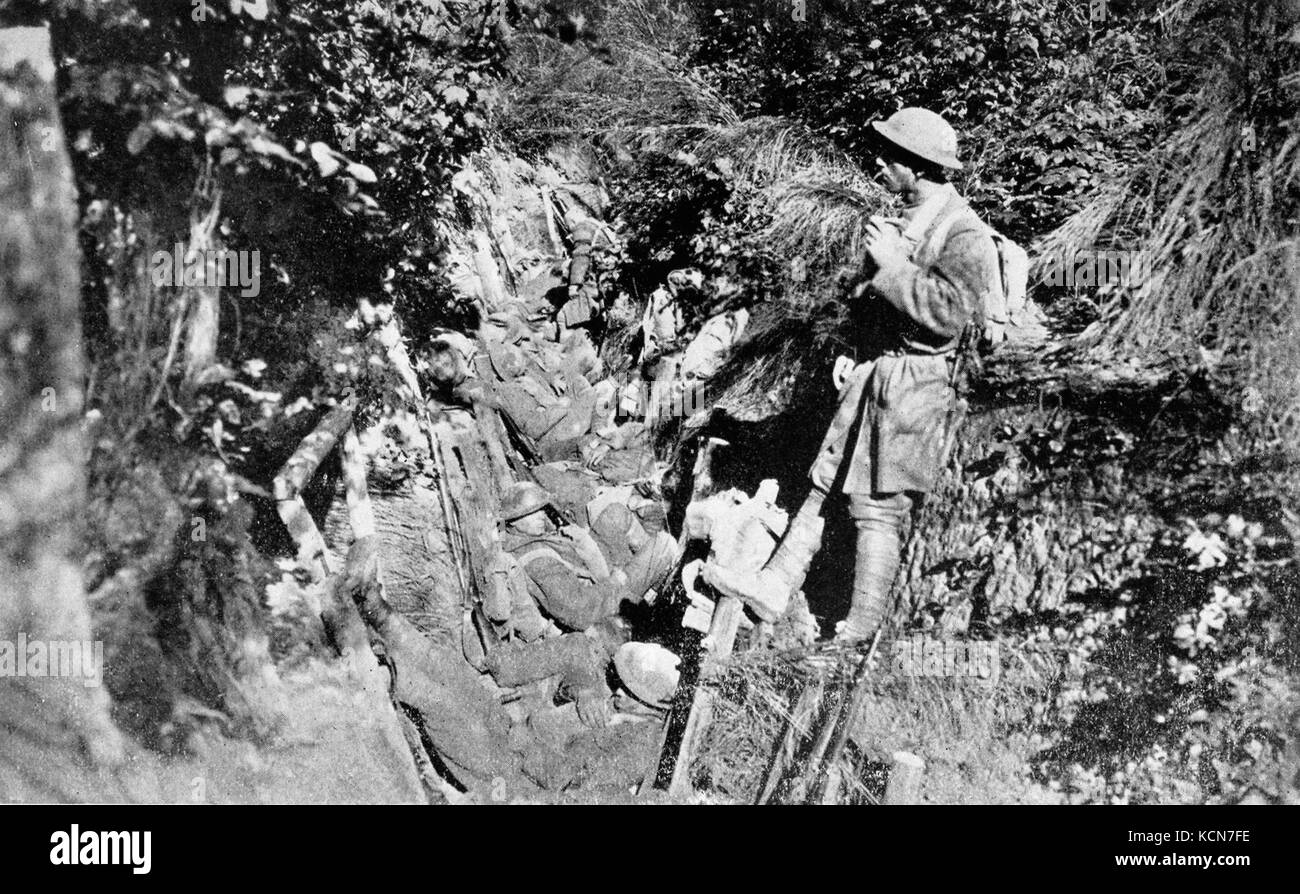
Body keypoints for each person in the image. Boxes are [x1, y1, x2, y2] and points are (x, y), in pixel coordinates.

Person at [702, 107, 1000, 643]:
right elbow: (870, 298)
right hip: (876, 371)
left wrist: (891, 265)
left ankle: (860, 633)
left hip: (918, 386)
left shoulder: (965, 233)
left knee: (877, 506)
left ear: (918, 167)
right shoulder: (910, 219)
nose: (880, 166)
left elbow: (950, 314)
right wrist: (853, 342)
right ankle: (774, 585)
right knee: (824, 481)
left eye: (891, 159)